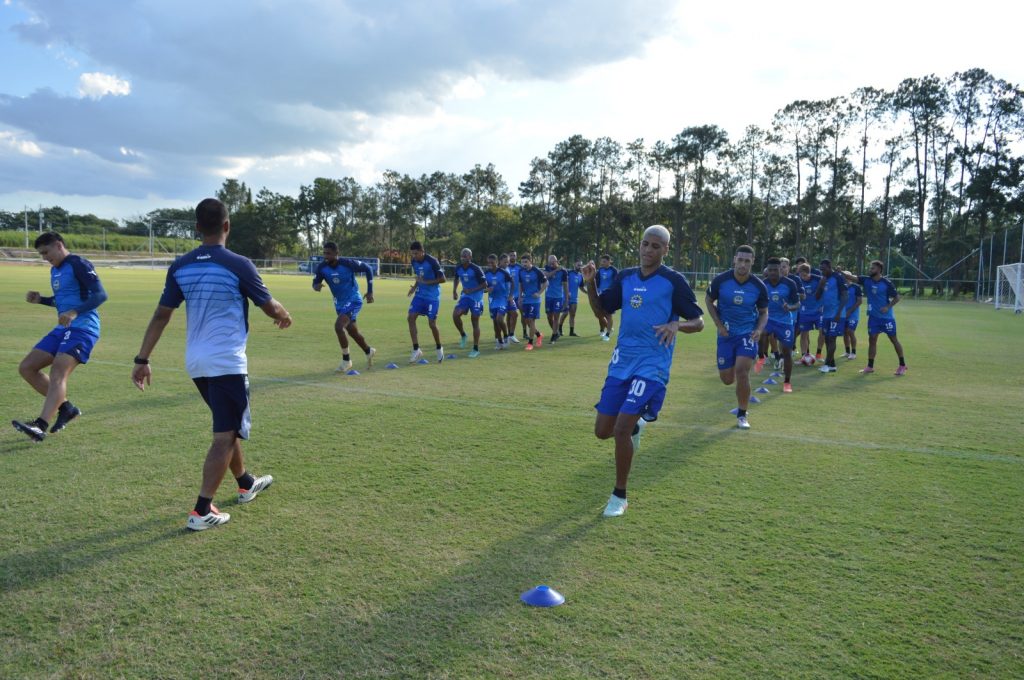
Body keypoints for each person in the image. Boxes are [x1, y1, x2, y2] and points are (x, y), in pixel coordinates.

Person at [131, 198, 292, 531]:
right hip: (226, 362)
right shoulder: (238, 263)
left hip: (196, 362)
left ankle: (246, 483)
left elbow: (162, 314)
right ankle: (202, 510)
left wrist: (142, 359)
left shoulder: (180, 266)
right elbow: (268, 305)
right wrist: (283, 314)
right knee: (225, 435)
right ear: (227, 226)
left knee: (227, 427)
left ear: (196, 229)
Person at [583, 225, 704, 517]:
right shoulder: (625, 277)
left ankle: (619, 496)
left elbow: (698, 321)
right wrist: (590, 284)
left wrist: (677, 324)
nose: (648, 250)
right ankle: (636, 426)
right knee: (603, 431)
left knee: (621, 429)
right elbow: (603, 310)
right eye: (645, 244)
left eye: (655, 246)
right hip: (622, 361)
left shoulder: (673, 281)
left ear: (665, 250)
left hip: (653, 364)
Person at [13, 232, 108, 442]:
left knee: (58, 371)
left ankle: (41, 425)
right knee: (27, 367)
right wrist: (42, 300)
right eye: (41, 254)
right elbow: (63, 300)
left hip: (83, 328)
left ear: (58, 245)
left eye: (46, 252)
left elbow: (101, 294)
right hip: (62, 330)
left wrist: (74, 312)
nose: (44, 257)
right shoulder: (55, 270)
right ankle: (66, 408)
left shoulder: (78, 263)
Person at [706, 245, 769, 429]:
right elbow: (709, 301)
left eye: (747, 261)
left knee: (742, 371)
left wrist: (758, 329)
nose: (743, 264)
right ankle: (732, 366)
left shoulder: (758, 286)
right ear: (734, 259)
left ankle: (742, 414)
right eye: (740, 260)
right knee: (727, 379)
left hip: (747, 334)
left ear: (752, 262)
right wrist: (719, 325)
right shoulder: (721, 281)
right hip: (725, 335)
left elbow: (764, 313)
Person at [312, 242, 376, 372]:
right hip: (339, 303)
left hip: (353, 299)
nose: (326, 256)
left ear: (336, 253)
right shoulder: (322, 267)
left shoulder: (347, 263)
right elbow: (315, 283)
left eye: (328, 253)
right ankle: (368, 351)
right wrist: (316, 286)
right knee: (352, 331)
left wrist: (370, 291)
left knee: (338, 326)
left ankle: (346, 360)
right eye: (324, 253)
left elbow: (368, 268)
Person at [842, 260, 908, 375]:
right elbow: (851, 277)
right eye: (870, 268)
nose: (870, 270)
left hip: (887, 318)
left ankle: (902, 365)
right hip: (873, 318)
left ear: (878, 270)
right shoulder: (866, 280)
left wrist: (888, 306)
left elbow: (897, 297)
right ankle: (870, 366)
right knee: (872, 340)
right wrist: (840, 272)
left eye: (872, 268)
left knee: (894, 340)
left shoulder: (886, 283)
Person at [759, 258, 801, 392]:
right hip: (769, 318)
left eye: (775, 270)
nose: (772, 272)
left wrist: (789, 307)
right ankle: (761, 357)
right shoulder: (762, 284)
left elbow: (797, 304)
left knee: (787, 352)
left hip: (784, 321)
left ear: (780, 270)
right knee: (761, 334)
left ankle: (787, 382)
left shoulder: (790, 284)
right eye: (770, 270)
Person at [406, 241, 447, 363]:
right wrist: (414, 287)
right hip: (420, 295)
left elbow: (443, 279)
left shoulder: (432, 261)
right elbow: (420, 277)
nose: (414, 256)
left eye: (416, 253)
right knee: (410, 318)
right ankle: (416, 349)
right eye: (412, 254)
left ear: (422, 251)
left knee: (432, 323)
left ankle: (439, 348)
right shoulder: (414, 261)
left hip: (432, 297)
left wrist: (426, 282)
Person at [814, 259, 848, 374]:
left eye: (823, 269)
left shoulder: (838, 277)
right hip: (826, 314)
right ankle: (832, 365)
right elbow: (817, 297)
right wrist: (821, 285)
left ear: (829, 267)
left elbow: (844, 296)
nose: (822, 271)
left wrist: (839, 313)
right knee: (827, 338)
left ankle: (827, 364)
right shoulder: (823, 279)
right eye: (820, 269)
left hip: (836, 314)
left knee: (832, 338)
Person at [452, 248, 487, 357]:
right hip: (465, 296)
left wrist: (471, 290)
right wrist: (454, 290)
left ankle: (475, 349)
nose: (463, 257)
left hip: (476, 298)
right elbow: (456, 278)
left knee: (474, 321)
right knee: (455, 315)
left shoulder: (476, 269)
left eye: (465, 256)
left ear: (470, 257)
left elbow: (484, 284)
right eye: (462, 255)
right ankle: (463, 335)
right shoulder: (458, 267)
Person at [516, 253, 547, 350]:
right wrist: (520, 296)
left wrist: (539, 293)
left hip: (535, 301)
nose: (524, 264)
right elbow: (520, 284)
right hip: (525, 299)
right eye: (522, 262)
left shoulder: (537, 271)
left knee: (530, 320)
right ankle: (538, 335)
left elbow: (546, 282)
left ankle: (530, 343)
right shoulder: (521, 271)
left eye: (526, 262)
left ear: (531, 261)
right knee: (528, 321)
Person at [795, 263, 823, 365]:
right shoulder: (797, 280)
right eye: (801, 274)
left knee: (822, 331)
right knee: (804, 334)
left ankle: (818, 354)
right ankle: (804, 357)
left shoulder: (818, 279)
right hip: (804, 312)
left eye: (805, 275)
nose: (803, 277)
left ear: (809, 272)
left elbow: (825, 290)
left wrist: (823, 304)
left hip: (818, 311)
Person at [484, 254, 513, 349]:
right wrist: (486, 290)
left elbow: (512, 283)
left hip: (502, 299)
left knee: (499, 319)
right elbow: (483, 287)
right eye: (488, 263)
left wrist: (511, 296)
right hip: (492, 300)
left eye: (492, 262)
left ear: (496, 262)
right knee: (495, 322)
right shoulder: (486, 273)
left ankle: (506, 336)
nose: (490, 264)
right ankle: (499, 342)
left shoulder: (503, 273)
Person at [543, 254, 570, 342]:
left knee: (556, 316)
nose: (551, 265)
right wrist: (555, 270)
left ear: (556, 261)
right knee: (549, 317)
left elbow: (565, 287)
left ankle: (554, 335)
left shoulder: (563, 272)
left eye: (553, 262)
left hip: (558, 297)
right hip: (548, 297)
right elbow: (546, 276)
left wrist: (566, 300)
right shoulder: (547, 268)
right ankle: (556, 331)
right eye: (550, 263)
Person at [559, 260, 586, 336]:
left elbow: (581, 287)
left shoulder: (580, 276)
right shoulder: (568, 273)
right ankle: (559, 329)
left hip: (574, 298)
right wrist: (567, 293)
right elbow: (564, 283)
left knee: (572, 314)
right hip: (566, 297)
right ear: (574, 264)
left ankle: (571, 332)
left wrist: (588, 293)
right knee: (565, 313)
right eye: (578, 265)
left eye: (580, 265)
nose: (579, 267)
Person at [595, 254, 618, 341]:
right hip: (600, 295)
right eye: (601, 261)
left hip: (610, 295)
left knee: (608, 315)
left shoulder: (614, 271)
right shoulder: (599, 270)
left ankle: (608, 334)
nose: (602, 263)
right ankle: (602, 330)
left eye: (604, 261)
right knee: (600, 314)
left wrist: (612, 292)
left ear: (609, 261)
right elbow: (596, 282)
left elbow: (616, 283)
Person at [502, 252, 521, 344]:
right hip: (500, 298)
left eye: (507, 262)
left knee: (515, 314)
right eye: (505, 262)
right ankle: (502, 336)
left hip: (510, 296)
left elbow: (512, 283)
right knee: (499, 318)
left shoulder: (508, 269)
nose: (507, 263)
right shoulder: (500, 270)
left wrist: (510, 295)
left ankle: (511, 334)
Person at [842, 273, 862, 359]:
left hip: (853, 314)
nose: (845, 278)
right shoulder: (841, 287)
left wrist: (849, 312)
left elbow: (859, 301)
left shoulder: (856, 287)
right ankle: (847, 351)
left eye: (846, 277)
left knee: (850, 331)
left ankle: (853, 352)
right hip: (843, 313)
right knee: (845, 333)